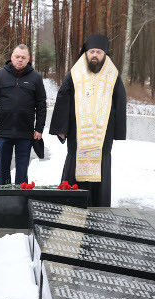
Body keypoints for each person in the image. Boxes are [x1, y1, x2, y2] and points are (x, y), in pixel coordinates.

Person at [49, 34, 127, 207]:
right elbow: (63, 97)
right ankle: (70, 203)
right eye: (91, 51)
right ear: (85, 53)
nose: (94, 55)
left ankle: (98, 206)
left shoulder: (112, 75)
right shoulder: (75, 73)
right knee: (74, 163)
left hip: (103, 134)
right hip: (78, 132)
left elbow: (120, 102)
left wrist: (118, 131)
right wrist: (61, 127)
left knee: (101, 166)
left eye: (98, 52)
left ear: (105, 54)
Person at [0, 44, 47, 185]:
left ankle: (21, 198)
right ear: (11, 57)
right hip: (2, 131)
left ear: (28, 59)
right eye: (17, 57)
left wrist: (39, 128)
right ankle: (3, 196)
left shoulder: (36, 77)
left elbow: (41, 104)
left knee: (22, 169)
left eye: (23, 57)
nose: (19, 60)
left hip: (25, 132)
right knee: (4, 168)